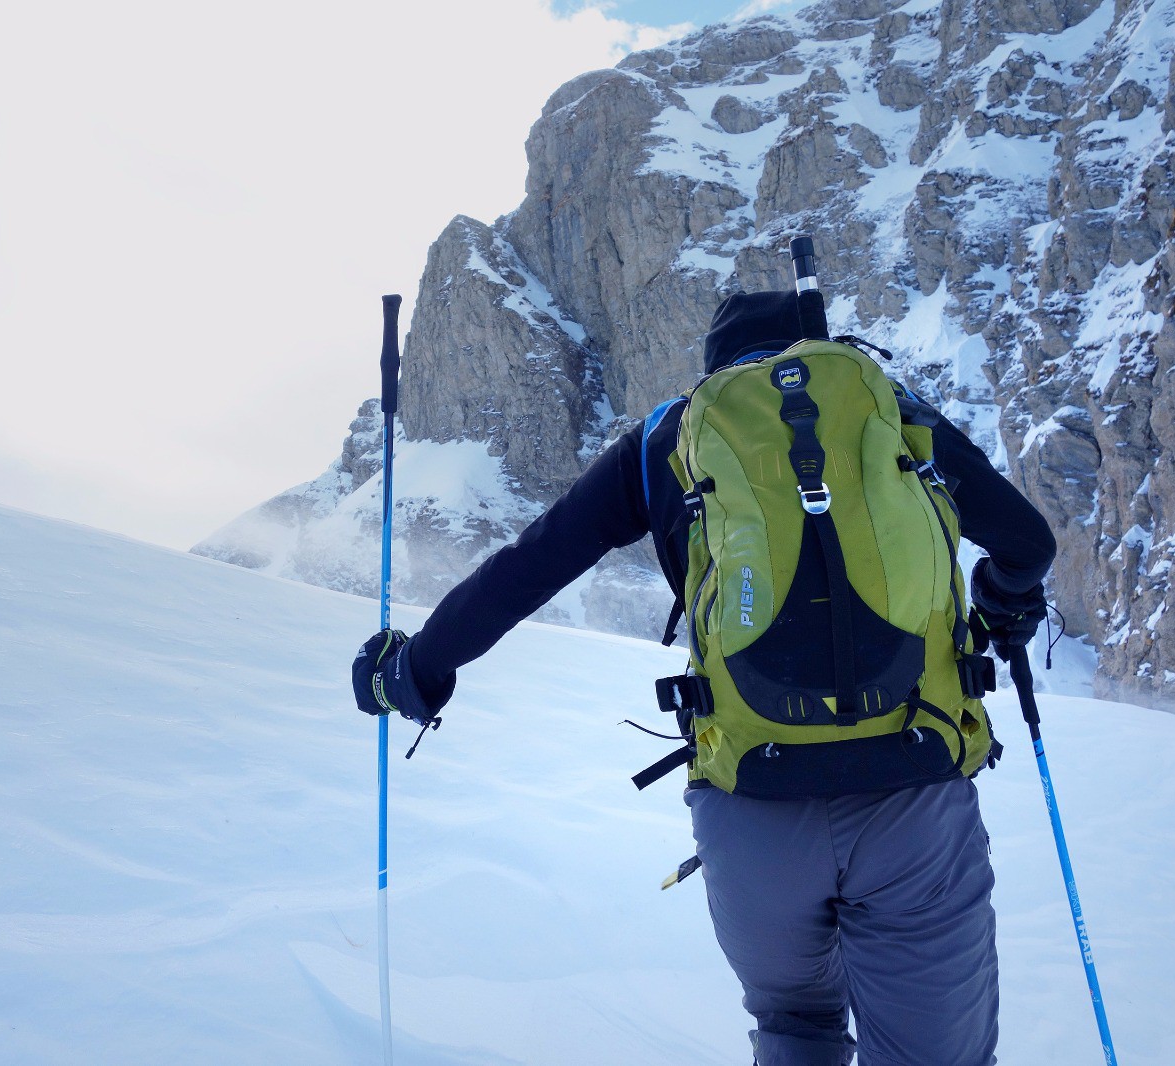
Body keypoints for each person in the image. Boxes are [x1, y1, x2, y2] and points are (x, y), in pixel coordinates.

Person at [352, 290, 1056, 1066]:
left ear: (718, 364)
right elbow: (1027, 542)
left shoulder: (673, 435)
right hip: (914, 796)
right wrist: (1003, 607)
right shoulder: (886, 407)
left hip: (752, 807)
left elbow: (531, 565)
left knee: (797, 1028)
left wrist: (414, 670)